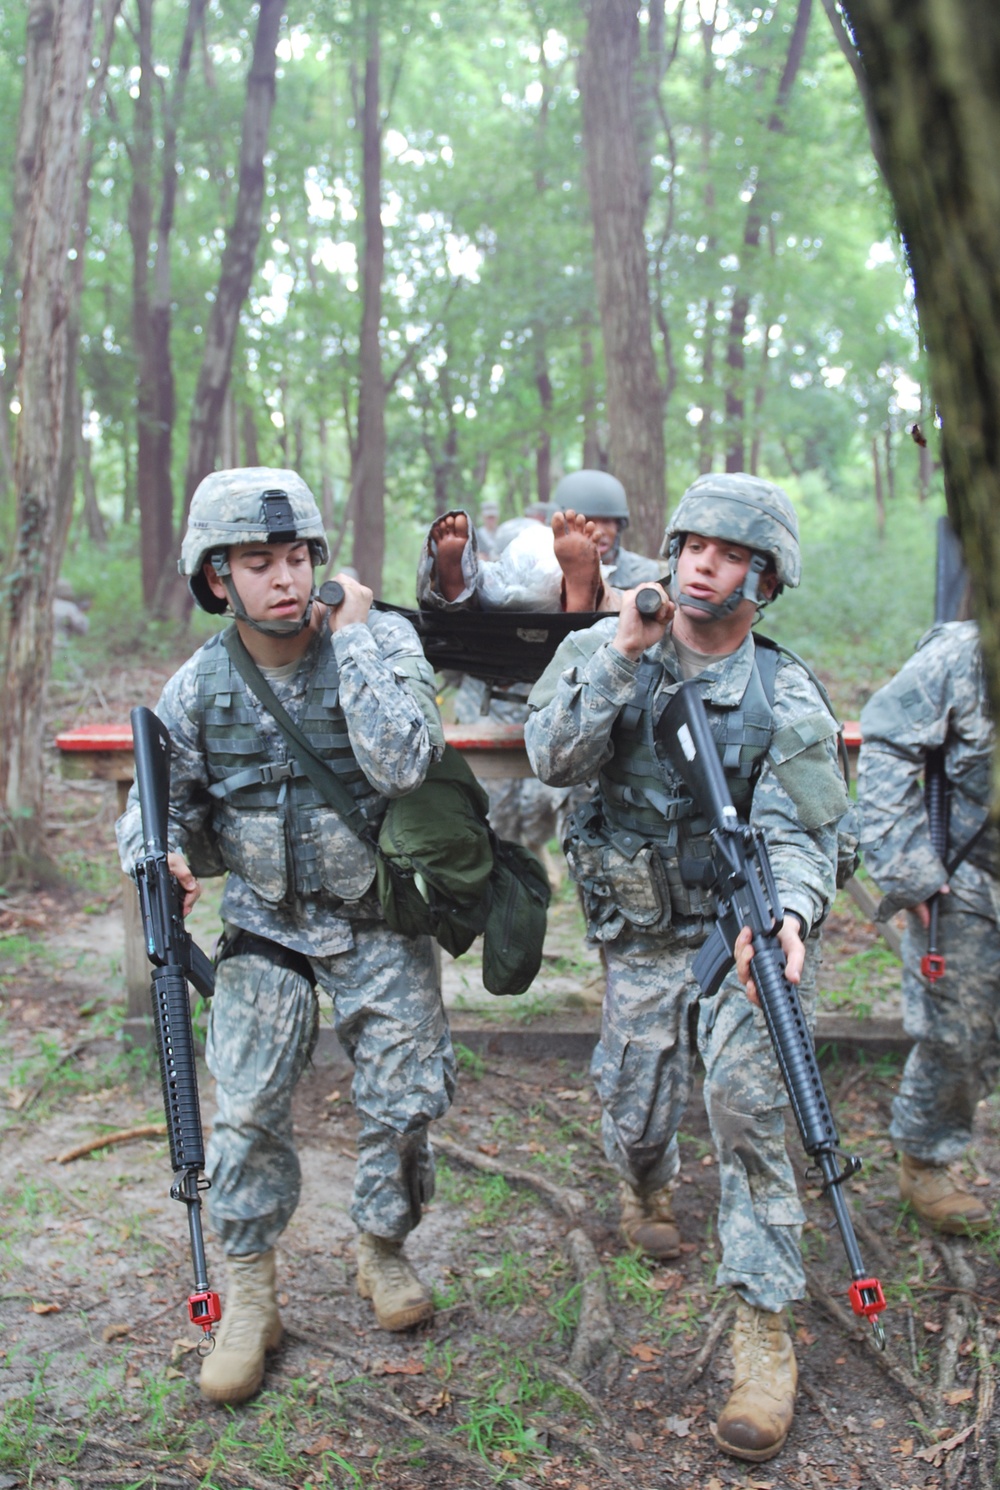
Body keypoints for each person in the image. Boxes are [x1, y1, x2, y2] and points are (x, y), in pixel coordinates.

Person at [524, 473, 851, 1464]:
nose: (704, 562)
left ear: (767, 572)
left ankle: (762, 1328)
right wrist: (620, 654)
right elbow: (550, 755)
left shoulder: (784, 687)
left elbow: (809, 830)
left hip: (739, 935)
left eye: (730, 550)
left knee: (752, 1104)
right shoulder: (602, 646)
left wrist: (789, 911)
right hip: (640, 938)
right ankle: (644, 1180)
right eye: (693, 543)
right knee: (635, 1104)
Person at [116, 468, 456, 1406]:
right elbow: (160, 807)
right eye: (257, 563)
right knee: (248, 1110)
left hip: (377, 917)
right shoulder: (199, 687)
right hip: (267, 927)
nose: (284, 579)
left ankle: (380, 1248)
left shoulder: (381, 639)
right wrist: (157, 854)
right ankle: (252, 1294)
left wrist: (349, 640)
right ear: (217, 578)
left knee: (405, 1097)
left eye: (298, 556)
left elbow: (402, 759)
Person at [857, 617, 997, 1234]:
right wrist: (907, 865)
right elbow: (886, 742)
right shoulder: (966, 652)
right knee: (956, 1036)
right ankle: (926, 1159)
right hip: (972, 883)